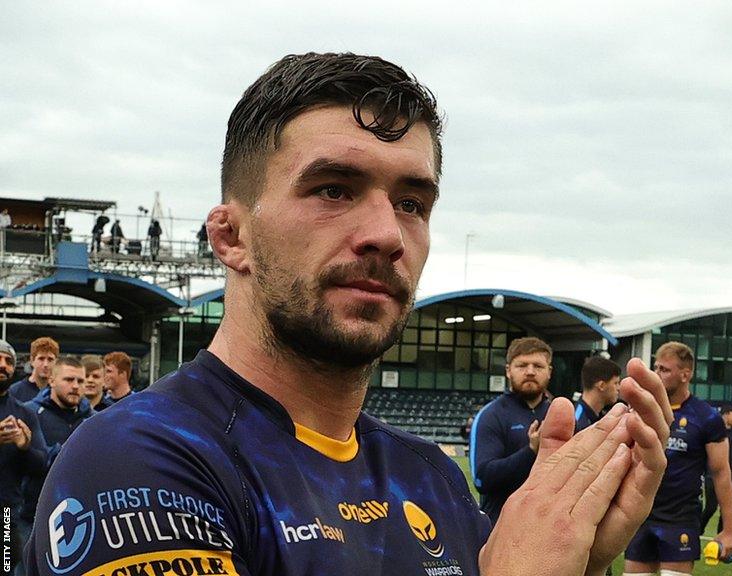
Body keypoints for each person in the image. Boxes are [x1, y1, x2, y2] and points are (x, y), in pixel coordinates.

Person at [26, 52, 673, 576]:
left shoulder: (431, 479)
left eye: (413, 202)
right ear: (230, 237)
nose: (387, 233)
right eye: (333, 189)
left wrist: (576, 563)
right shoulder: (142, 462)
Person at [624, 342, 732, 576]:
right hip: (641, 515)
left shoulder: (706, 417)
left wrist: (729, 529)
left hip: (680, 518)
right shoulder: (640, 410)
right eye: (655, 367)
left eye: (664, 369)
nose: (657, 374)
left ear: (685, 374)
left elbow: (721, 473)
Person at [470, 336, 553, 524]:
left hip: (548, 528)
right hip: (501, 527)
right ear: (508, 371)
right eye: (522, 365)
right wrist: (531, 451)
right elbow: (482, 479)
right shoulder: (492, 415)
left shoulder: (560, 414)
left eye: (538, 366)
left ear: (549, 372)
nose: (530, 372)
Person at [20, 357, 94, 548]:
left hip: (80, 516)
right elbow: (40, 462)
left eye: (80, 381)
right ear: (51, 380)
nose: (76, 386)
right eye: (69, 380)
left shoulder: (95, 420)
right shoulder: (29, 413)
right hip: (30, 515)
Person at [0, 339, 46, 574]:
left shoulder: (24, 412)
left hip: (7, 511)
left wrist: (24, 446)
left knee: (7, 568)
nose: (3, 365)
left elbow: (41, 465)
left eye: (8, 361)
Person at [701, 404, 732, 535]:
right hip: (714, 478)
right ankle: (698, 530)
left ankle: (722, 539)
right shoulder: (716, 434)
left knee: (727, 511)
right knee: (711, 508)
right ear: (726, 415)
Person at [574, 355, 621, 432]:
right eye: (615, 383)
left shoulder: (601, 417)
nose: (619, 388)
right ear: (601, 385)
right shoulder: (576, 421)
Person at [9, 337, 59, 404]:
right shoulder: (14, 391)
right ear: (32, 360)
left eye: (50, 359)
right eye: (41, 359)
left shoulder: (58, 391)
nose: (46, 364)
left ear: (56, 362)